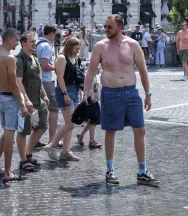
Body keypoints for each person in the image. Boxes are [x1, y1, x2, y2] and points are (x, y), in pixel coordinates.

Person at [83, 14, 156, 185]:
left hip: (131, 93)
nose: (106, 30)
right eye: (105, 26)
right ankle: (110, 170)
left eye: (109, 27)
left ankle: (142, 171)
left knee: (140, 130)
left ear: (120, 28)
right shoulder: (101, 47)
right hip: (110, 93)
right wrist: (85, 92)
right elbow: (91, 71)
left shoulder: (132, 45)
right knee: (111, 131)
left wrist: (148, 94)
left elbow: (143, 71)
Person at [0, 28, 28, 182]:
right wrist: (22, 104)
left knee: (6, 133)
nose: (17, 42)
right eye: (16, 39)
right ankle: (7, 172)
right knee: (10, 135)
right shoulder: (10, 58)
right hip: (9, 99)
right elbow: (14, 84)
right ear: (9, 39)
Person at [44, 36, 82, 161]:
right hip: (64, 90)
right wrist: (65, 93)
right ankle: (52, 145)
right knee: (70, 124)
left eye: (78, 49)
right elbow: (59, 77)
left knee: (71, 123)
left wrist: (80, 94)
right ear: (70, 47)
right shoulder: (61, 58)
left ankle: (65, 151)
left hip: (75, 91)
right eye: (76, 49)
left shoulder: (75, 58)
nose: (77, 51)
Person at [16, 32, 49, 171]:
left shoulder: (34, 58)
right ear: (23, 43)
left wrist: (45, 95)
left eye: (35, 42)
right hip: (27, 101)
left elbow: (38, 79)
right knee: (23, 132)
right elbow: (18, 82)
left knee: (42, 126)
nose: (34, 44)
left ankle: (29, 153)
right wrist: (26, 100)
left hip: (38, 99)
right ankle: (23, 160)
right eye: (32, 42)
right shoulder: (19, 59)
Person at [36, 25, 61, 148]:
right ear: (51, 33)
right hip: (46, 79)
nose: (56, 37)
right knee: (54, 108)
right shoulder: (46, 46)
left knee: (41, 109)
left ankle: (35, 139)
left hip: (38, 79)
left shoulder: (37, 42)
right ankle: (52, 139)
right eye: (55, 34)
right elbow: (45, 65)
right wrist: (56, 67)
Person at [76, 64, 102, 148]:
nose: (98, 68)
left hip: (95, 100)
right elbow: (88, 89)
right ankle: (91, 140)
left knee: (93, 121)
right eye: (97, 67)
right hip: (91, 100)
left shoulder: (97, 76)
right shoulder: (89, 76)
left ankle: (83, 135)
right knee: (93, 121)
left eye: (99, 67)